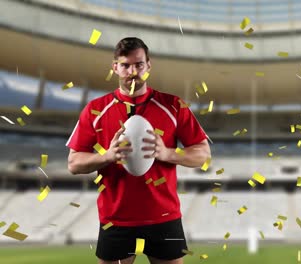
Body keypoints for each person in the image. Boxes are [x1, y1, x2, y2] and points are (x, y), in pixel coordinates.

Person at [66, 37, 211, 264]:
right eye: (125, 65)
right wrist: (107, 156)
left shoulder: (173, 105)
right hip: (115, 219)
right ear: (115, 67)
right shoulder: (95, 109)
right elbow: (74, 164)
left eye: (139, 64)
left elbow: (204, 154)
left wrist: (168, 154)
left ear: (148, 65)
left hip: (164, 217)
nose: (132, 71)